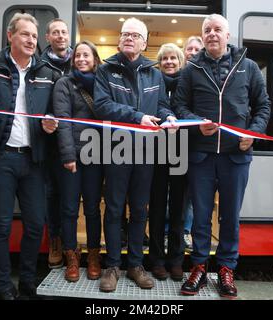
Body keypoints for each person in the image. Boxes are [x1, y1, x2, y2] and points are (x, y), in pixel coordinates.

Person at [173, 14, 270, 298]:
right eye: (207, 30)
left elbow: (263, 106)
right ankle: (200, 266)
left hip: (235, 157)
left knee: (230, 217)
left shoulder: (248, 67)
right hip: (201, 157)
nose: (212, 34)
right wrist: (194, 122)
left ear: (227, 36)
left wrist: (252, 133)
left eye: (218, 30)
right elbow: (179, 106)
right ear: (202, 37)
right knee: (201, 216)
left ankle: (226, 268)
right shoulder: (191, 69)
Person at [0, 13, 59, 300]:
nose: (31, 40)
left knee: (34, 224)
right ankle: (3, 285)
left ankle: (28, 282)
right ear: (10, 36)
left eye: (34, 35)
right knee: (1, 226)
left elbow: (55, 113)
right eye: (25, 34)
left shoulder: (47, 72)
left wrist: (51, 124)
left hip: (34, 161)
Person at [94, 17, 177, 292]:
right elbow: (102, 106)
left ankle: (136, 266)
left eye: (134, 35)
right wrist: (137, 117)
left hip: (146, 151)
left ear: (144, 42)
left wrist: (170, 117)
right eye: (125, 34)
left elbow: (163, 104)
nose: (128, 38)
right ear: (119, 39)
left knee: (140, 209)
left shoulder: (154, 73)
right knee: (115, 209)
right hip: (117, 148)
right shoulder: (106, 70)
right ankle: (113, 266)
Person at [53, 40, 103, 282]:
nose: (82, 59)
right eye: (78, 56)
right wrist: (68, 155)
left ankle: (94, 255)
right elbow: (63, 120)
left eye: (86, 55)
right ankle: (71, 256)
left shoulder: (103, 84)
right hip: (73, 157)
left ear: (95, 59)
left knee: (93, 209)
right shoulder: (64, 83)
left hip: (97, 155)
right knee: (70, 209)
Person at [148, 43, 186, 281]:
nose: (169, 62)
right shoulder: (153, 84)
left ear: (180, 62)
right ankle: (157, 260)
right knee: (157, 208)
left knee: (179, 209)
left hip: (183, 151)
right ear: (159, 63)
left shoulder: (188, 83)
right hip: (157, 152)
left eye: (173, 58)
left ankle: (176, 260)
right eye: (165, 59)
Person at [41, 18, 72, 269]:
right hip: (49, 143)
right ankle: (55, 240)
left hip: (76, 141)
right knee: (52, 194)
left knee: (74, 196)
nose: (60, 36)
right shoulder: (38, 65)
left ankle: (75, 245)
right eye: (55, 33)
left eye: (64, 32)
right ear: (48, 37)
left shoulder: (81, 62)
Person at [182, 36, 203, 251]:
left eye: (198, 48)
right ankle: (171, 232)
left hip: (196, 144)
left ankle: (186, 232)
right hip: (172, 146)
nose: (193, 51)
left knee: (190, 194)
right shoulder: (180, 76)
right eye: (189, 48)